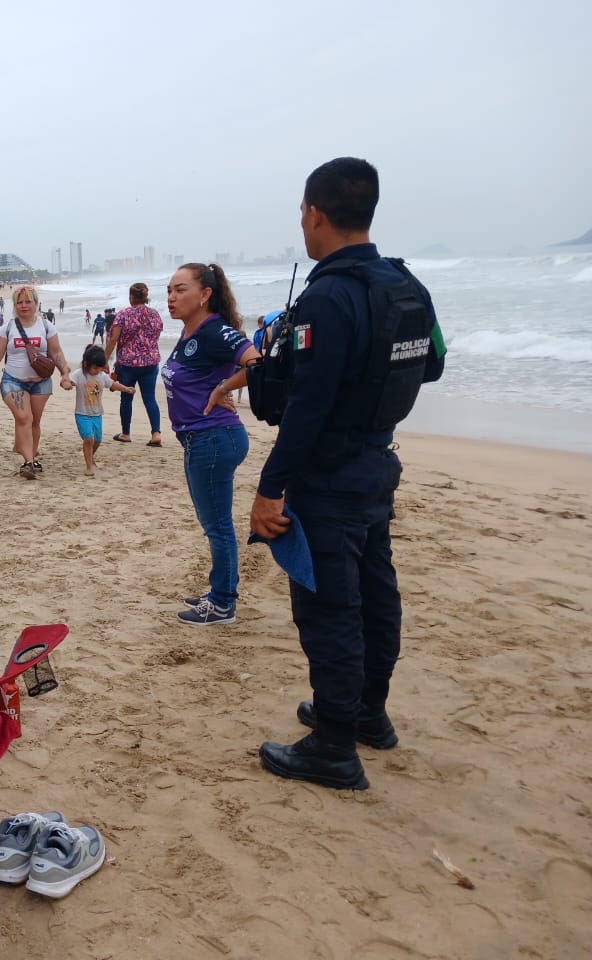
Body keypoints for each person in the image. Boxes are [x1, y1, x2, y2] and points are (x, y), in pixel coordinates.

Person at [248, 158, 445, 791]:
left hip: (329, 474)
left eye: (301, 215)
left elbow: (306, 407)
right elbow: (433, 363)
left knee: (331, 605)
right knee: (374, 593)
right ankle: (368, 713)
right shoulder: (405, 284)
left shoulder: (328, 295)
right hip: (377, 463)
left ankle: (334, 743)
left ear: (315, 213)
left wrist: (268, 488)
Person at [162, 262, 260, 627]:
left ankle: (222, 604)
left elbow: (258, 363)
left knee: (217, 526)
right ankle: (220, 592)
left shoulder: (215, 331)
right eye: (169, 290)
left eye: (180, 289)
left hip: (213, 438)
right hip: (201, 438)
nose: (171, 297)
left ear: (205, 295)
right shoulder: (192, 332)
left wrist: (223, 388)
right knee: (214, 523)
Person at [0, 285, 73, 479]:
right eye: (19, 302)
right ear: (14, 305)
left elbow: (56, 352)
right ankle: (28, 462)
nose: (23, 305)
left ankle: (29, 457)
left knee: (34, 422)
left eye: (28, 301)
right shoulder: (8, 328)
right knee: (24, 418)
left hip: (41, 382)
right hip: (13, 381)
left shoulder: (46, 326)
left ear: (36, 303)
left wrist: (64, 373)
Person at [105, 282, 165, 446]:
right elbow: (157, 334)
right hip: (150, 362)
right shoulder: (155, 315)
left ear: (131, 297)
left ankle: (126, 433)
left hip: (128, 363)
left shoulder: (123, 315)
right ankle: (156, 433)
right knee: (150, 398)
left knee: (126, 397)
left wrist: (104, 361)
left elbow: (113, 339)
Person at [70, 344, 135, 477]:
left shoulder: (101, 376)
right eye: (95, 368)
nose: (97, 371)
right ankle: (89, 466)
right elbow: (68, 381)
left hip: (97, 414)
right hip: (82, 414)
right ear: (86, 364)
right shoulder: (79, 374)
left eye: (100, 368)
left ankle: (89, 458)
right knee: (89, 439)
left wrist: (127, 389)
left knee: (98, 440)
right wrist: (66, 384)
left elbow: (113, 384)